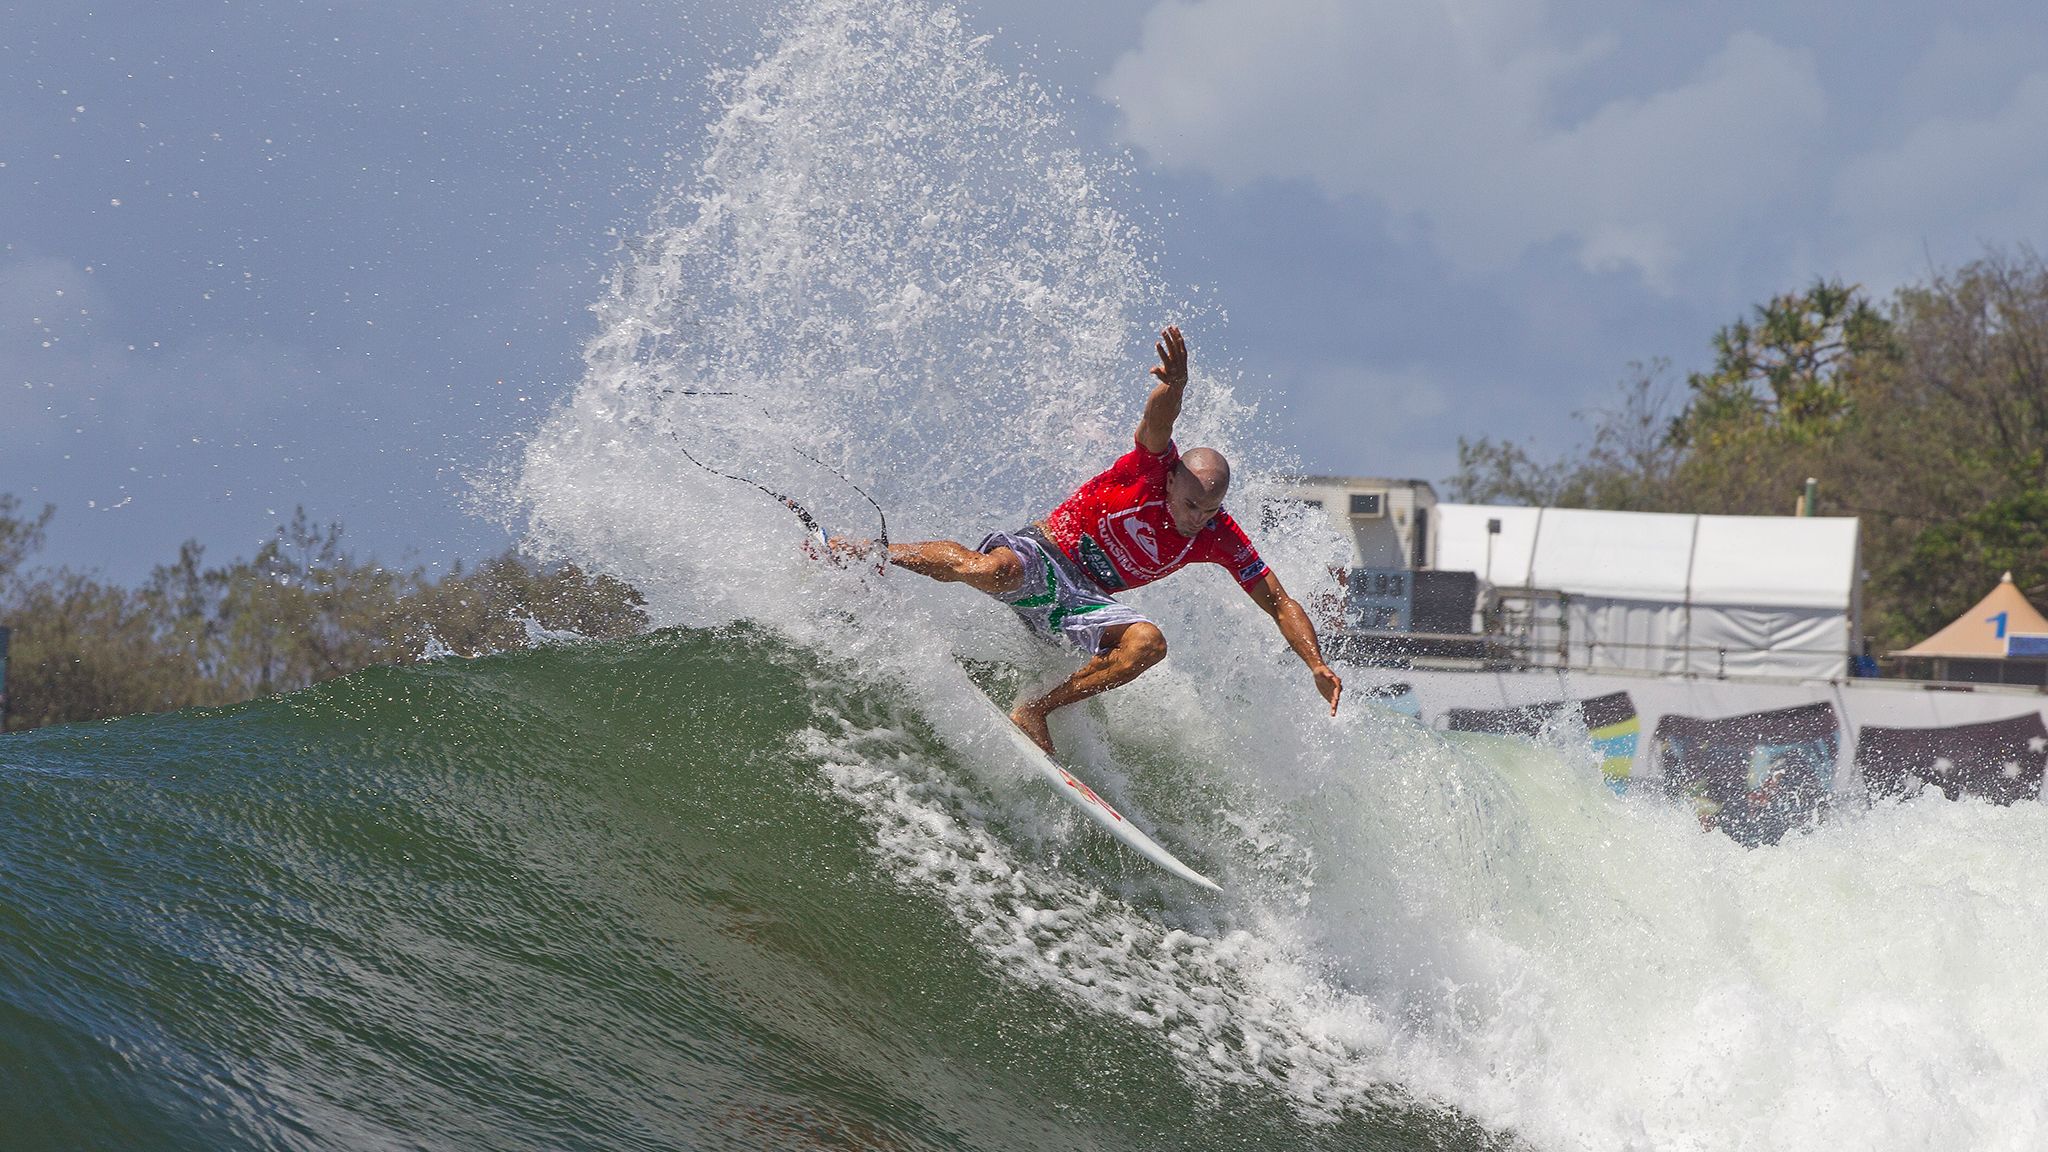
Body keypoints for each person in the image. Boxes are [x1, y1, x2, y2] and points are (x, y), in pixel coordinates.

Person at [838, 325, 1343, 757]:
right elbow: (1160, 421)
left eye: (1210, 510)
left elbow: (1277, 601)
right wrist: (1176, 386)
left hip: (1081, 601)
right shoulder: (1149, 469)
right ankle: (873, 552)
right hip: (1043, 554)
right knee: (991, 571)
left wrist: (1315, 662)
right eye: (1191, 505)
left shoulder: (1217, 536)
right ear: (1171, 481)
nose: (1198, 519)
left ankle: (1036, 710)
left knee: (1149, 643)